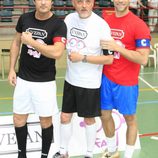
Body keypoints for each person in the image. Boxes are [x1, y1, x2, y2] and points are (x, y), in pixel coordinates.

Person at [53, 0, 114, 158]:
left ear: (93, 3)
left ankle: (89, 153)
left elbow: (109, 59)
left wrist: (83, 58)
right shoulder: (69, 19)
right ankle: (63, 151)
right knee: (65, 116)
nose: (84, 5)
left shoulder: (101, 26)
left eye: (88, 1)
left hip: (89, 83)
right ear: (74, 3)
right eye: (80, 1)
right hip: (70, 79)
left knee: (89, 119)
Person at [8, 0, 67, 157]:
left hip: (45, 82)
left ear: (52, 1)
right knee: (18, 118)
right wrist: (11, 69)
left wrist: (32, 42)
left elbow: (57, 52)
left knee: (46, 122)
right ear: (34, 1)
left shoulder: (58, 24)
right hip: (23, 79)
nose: (43, 2)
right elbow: (16, 43)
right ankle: (22, 155)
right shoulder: (24, 18)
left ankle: (44, 155)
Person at [100, 0, 151, 158]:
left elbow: (143, 59)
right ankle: (112, 151)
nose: (121, 0)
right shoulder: (105, 22)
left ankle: (128, 156)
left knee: (130, 119)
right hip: (106, 77)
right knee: (104, 115)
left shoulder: (139, 25)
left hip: (127, 82)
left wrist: (118, 48)